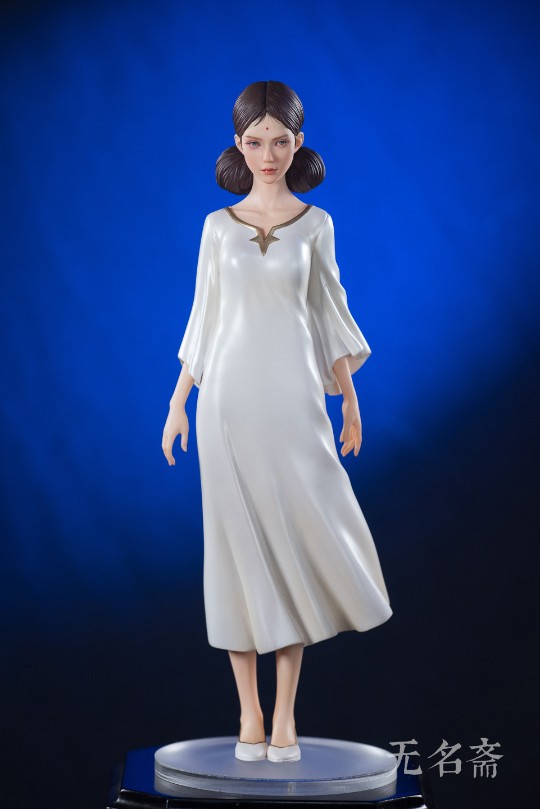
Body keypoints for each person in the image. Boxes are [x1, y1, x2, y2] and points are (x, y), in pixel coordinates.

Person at [162, 81, 392, 764]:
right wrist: (178, 400)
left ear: (299, 143)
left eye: (280, 141)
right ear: (238, 144)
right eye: (255, 141)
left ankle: (286, 714)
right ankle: (249, 713)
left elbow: (328, 312)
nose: (268, 154)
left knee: (292, 549)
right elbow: (204, 317)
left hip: (295, 402)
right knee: (235, 555)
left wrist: (349, 398)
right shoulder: (216, 227)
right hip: (226, 404)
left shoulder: (316, 225)